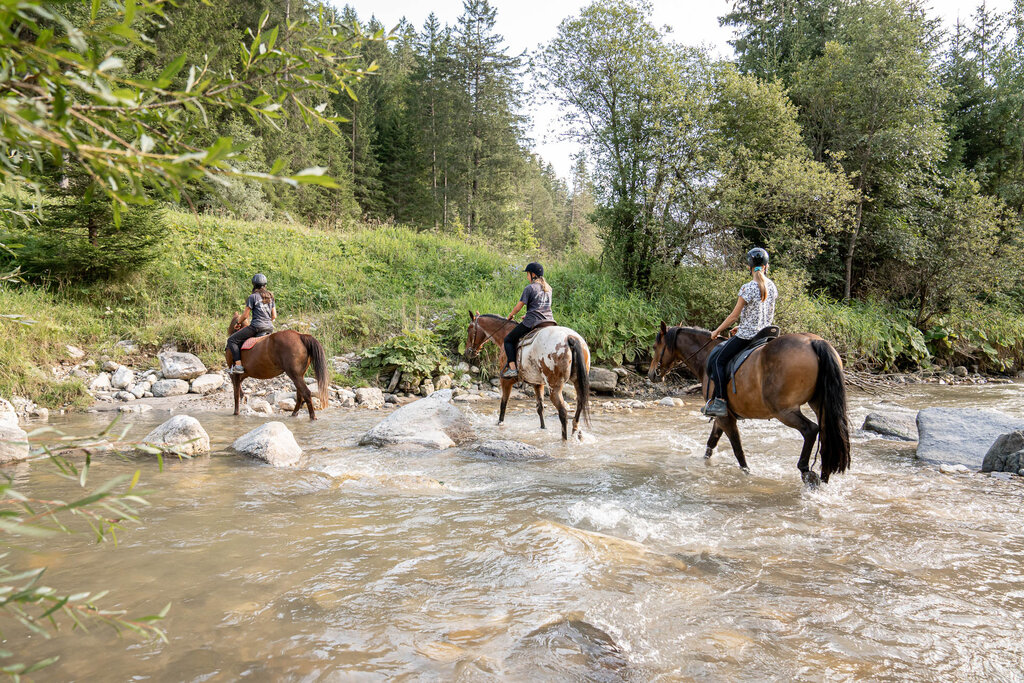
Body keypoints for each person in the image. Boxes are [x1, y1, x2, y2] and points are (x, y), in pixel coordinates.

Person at [702, 248, 778, 417]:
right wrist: (743, 326)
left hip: (749, 337)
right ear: (766, 266)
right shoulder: (772, 286)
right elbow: (766, 313)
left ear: (749, 267)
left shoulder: (748, 287)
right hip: (765, 334)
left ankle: (720, 402)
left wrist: (717, 331)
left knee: (718, 361)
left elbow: (733, 316)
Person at [502, 262, 555, 379]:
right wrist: (528, 314)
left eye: (527, 274)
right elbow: (543, 306)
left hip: (533, 322)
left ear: (533, 274)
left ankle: (512, 369)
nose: (527, 277)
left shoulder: (530, 288)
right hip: (549, 321)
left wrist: (511, 315)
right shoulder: (549, 289)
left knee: (508, 340)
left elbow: (519, 306)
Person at [226, 273, 277, 374]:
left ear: (254, 285)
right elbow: (274, 316)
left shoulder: (253, 297)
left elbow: (245, 316)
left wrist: (238, 323)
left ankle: (238, 366)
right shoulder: (270, 297)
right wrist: (267, 321)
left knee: (232, 340)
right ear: (265, 285)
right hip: (270, 328)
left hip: (256, 327)